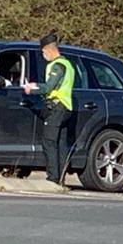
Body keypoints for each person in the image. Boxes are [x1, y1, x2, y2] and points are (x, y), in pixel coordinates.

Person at [22, 33, 75, 185]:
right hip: (66, 108)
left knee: (49, 142)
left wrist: (31, 89)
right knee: (61, 144)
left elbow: (49, 87)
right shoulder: (68, 65)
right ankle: (61, 178)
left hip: (56, 108)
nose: (43, 56)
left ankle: (53, 178)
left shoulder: (57, 65)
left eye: (43, 52)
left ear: (48, 50)